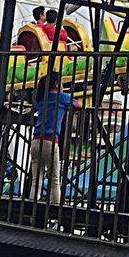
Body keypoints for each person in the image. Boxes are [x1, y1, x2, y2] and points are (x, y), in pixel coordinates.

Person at [26, 71, 77, 207]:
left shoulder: (42, 99)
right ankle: (55, 208)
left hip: (35, 141)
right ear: (56, 83)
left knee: (36, 179)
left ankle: (32, 206)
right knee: (54, 179)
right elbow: (78, 105)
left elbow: (31, 111)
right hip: (50, 141)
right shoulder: (63, 97)